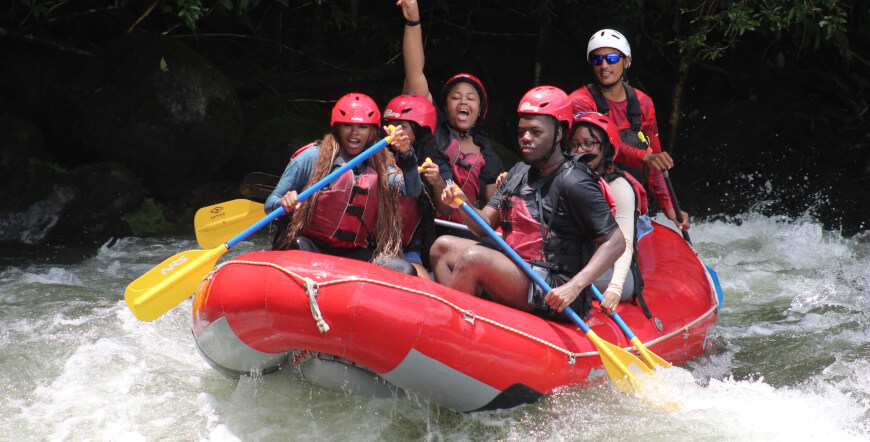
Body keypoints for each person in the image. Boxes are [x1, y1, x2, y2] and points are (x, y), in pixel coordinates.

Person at [430, 86, 625, 317]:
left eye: (535, 132)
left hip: (554, 286)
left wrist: (574, 287)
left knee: (475, 259)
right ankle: (468, 311)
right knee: (442, 247)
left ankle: (454, 322)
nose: (525, 138)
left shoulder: (575, 181)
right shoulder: (520, 171)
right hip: (519, 267)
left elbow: (616, 242)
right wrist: (462, 204)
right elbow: (483, 227)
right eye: (522, 131)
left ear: (559, 134)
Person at [265, 92, 422, 275]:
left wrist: (407, 156)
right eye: (348, 125)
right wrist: (285, 203)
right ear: (337, 128)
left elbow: (412, 190)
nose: (354, 132)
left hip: (351, 251)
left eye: (362, 127)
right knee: (298, 246)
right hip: (311, 245)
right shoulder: (312, 158)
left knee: (404, 269)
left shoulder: (379, 165)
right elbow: (270, 205)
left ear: (372, 132)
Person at [397, 0, 505, 238]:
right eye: (456, 97)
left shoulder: (488, 153)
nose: (464, 102)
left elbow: (493, 204)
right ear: (445, 105)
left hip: (468, 231)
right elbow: (414, 74)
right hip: (428, 227)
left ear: (480, 110)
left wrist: (506, 185)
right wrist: (412, 20)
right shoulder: (434, 129)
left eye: (471, 99)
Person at [568, 29, 690, 233]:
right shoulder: (580, 101)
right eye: (597, 60)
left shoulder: (643, 103)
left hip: (631, 199)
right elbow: (602, 146)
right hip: (591, 194)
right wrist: (645, 157)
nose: (604, 65)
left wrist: (669, 206)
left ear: (627, 61)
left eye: (612, 58)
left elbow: (655, 160)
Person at [571, 112, 652, 317]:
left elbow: (624, 242)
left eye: (588, 144)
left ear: (606, 150)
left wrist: (615, 289)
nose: (580, 150)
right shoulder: (568, 177)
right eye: (575, 144)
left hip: (611, 267)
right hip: (579, 256)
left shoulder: (619, 187)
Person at [382, 93, 443, 277]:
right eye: (392, 125)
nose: (396, 132)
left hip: (409, 248)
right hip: (375, 244)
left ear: (420, 131)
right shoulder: (374, 156)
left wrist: (438, 182)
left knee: (422, 278)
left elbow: (447, 211)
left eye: (404, 127)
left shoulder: (436, 161)